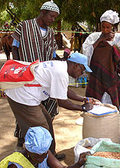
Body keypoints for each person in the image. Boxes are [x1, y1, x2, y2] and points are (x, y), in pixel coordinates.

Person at [4, 53, 96, 159]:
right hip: (22, 96)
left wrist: (84, 99)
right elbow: (62, 102)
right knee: (40, 130)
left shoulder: (61, 67)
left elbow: (65, 91)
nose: (82, 73)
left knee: (47, 121)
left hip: (28, 95)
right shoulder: (60, 72)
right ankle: (40, 160)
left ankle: (51, 155)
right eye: (82, 70)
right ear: (75, 65)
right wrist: (83, 107)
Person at [10, 0, 61, 154]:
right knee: (27, 108)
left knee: (49, 106)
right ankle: (23, 141)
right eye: (51, 16)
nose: (53, 20)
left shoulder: (51, 32)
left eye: (55, 17)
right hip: (27, 76)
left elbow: (52, 54)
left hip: (44, 77)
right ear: (43, 12)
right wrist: (20, 69)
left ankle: (45, 147)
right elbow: (15, 47)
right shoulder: (24, 26)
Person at [82, 10, 120, 109]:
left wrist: (118, 58)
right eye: (103, 27)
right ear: (100, 26)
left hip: (110, 76)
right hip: (96, 75)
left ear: (113, 27)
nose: (105, 30)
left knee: (111, 106)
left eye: (108, 27)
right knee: (94, 104)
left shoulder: (118, 38)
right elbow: (86, 54)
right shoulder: (93, 37)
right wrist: (100, 40)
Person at [0, 126, 90, 168]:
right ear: (27, 149)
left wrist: (79, 163)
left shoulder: (43, 151)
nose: (41, 159)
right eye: (36, 156)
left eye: (44, 155)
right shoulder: (15, 165)